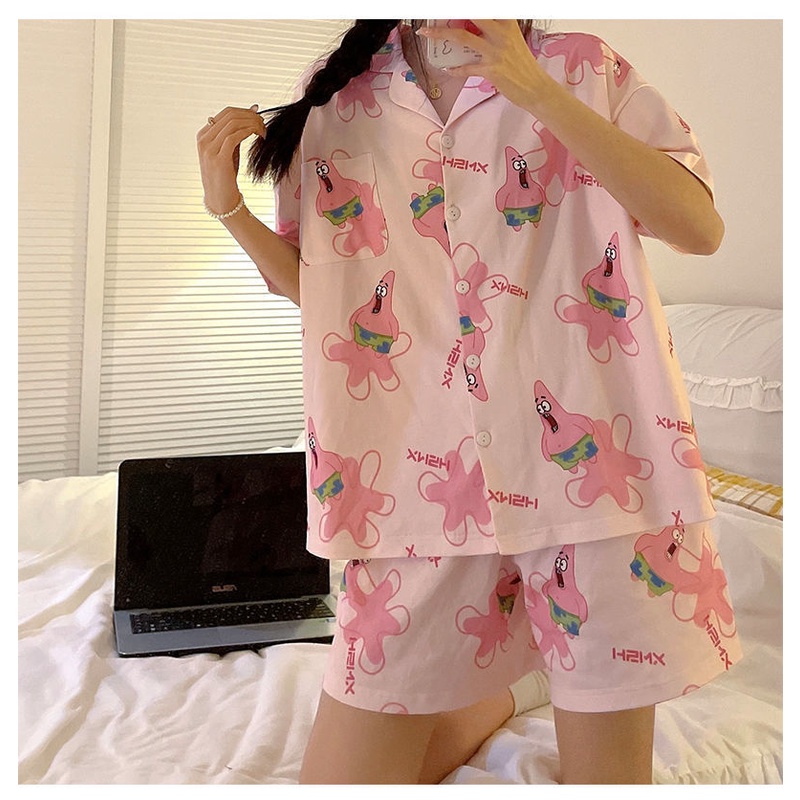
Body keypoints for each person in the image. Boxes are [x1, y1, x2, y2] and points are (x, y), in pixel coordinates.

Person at [197, 19, 741, 784]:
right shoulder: (336, 93)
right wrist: (229, 210)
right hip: (415, 489)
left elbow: (699, 228)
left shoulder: (580, 66)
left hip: (594, 497)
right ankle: (515, 687)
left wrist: (534, 90)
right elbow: (324, 293)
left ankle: (534, 673)